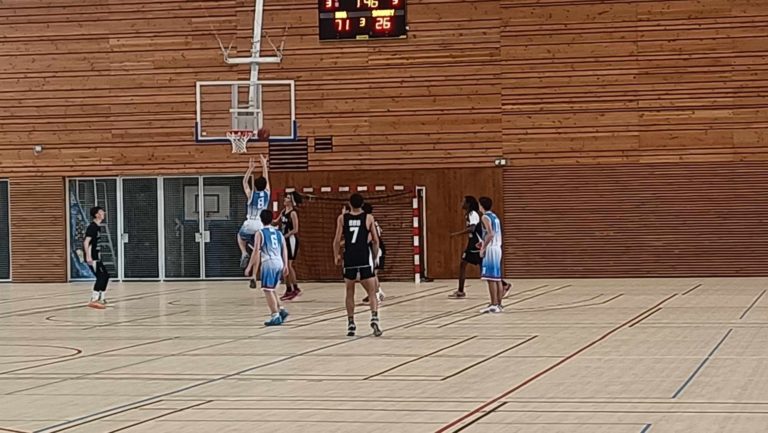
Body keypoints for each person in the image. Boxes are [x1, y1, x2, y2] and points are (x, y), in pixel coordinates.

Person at [333, 194, 383, 337]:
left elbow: (336, 240)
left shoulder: (342, 218)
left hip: (349, 257)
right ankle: (374, 317)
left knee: (349, 291)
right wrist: (374, 256)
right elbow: (375, 240)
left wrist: (336, 255)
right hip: (363, 256)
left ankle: (351, 323)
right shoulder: (368, 218)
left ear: (349, 204)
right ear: (362, 204)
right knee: (372, 291)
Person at [245, 209, 290, 326]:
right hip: (279, 261)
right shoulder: (278, 233)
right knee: (272, 288)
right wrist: (286, 264)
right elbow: (284, 249)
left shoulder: (260, 233)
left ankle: (275, 315)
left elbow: (256, 251)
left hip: (269, 262)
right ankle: (281, 310)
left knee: (267, 290)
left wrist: (249, 267)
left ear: (261, 219)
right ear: (272, 219)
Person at [237, 155, 270, 270]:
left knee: (240, 236)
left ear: (255, 186)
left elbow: (244, 182)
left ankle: (244, 252)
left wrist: (250, 168)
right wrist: (264, 164)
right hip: (260, 224)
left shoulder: (251, 195)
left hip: (250, 222)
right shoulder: (267, 193)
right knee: (257, 249)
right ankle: (255, 272)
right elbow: (266, 179)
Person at [478, 197, 504, 313]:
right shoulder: (495, 216)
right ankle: (499, 304)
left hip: (491, 249)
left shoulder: (485, 217)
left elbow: (490, 233)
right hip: (497, 247)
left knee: (490, 278)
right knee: (497, 278)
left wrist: (483, 247)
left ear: (481, 205)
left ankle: (494, 304)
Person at [84, 206, 110, 309]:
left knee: (105, 275)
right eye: (101, 212)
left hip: (97, 256)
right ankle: (94, 299)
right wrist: (88, 256)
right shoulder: (92, 227)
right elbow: (86, 242)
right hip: (92, 257)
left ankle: (101, 298)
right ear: (96, 215)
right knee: (101, 276)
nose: (103, 213)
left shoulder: (98, 227)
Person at [278, 191, 302, 300]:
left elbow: (295, 229)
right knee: (284, 265)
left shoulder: (293, 213)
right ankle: (288, 289)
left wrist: (285, 236)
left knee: (289, 265)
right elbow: (275, 222)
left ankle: (295, 288)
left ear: (291, 201)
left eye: (287, 198)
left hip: (291, 240)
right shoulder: (283, 211)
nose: (285, 199)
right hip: (284, 240)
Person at [361, 203, 385, 304]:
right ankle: (376, 292)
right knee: (372, 273)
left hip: (376, 248)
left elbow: (371, 238)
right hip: (375, 248)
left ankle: (377, 294)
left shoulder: (369, 221)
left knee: (372, 273)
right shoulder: (372, 220)